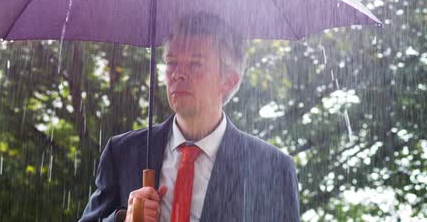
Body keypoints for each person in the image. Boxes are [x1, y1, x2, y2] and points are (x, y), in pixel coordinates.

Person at [80, 12, 300, 222]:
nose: (178, 73)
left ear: (229, 80)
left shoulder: (272, 168)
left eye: (196, 64)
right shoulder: (123, 152)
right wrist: (122, 218)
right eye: (172, 62)